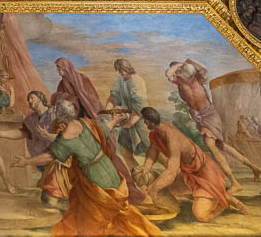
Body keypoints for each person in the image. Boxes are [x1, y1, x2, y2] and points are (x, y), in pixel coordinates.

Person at [13, 100, 160, 237]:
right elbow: (104, 129)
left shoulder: (64, 139)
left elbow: (49, 157)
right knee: (118, 208)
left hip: (95, 176)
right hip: (107, 167)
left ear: (59, 115)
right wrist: (115, 120)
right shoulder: (85, 123)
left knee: (95, 220)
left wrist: (26, 161)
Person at [51, 56, 145, 203]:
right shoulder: (61, 84)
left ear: (66, 67)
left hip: (90, 122)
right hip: (75, 124)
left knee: (109, 154)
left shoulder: (81, 79)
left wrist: (96, 120)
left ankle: (128, 189)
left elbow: (91, 101)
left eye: (59, 68)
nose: (57, 71)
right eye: (57, 68)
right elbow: (65, 106)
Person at [165, 59, 260, 194]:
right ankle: (254, 167)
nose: (178, 73)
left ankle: (234, 182)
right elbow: (168, 74)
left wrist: (187, 61)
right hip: (200, 118)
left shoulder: (196, 78)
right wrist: (178, 65)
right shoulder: (179, 82)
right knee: (222, 146)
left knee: (211, 145)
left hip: (210, 114)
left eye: (180, 70)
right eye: (177, 71)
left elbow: (203, 68)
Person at [136, 107, 246, 221]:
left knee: (201, 216)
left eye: (145, 120)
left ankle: (223, 202)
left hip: (205, 174)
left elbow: (171, 172)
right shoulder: (156, 133)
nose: (144, 123)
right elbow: (153, 151)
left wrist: (154, 188)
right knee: (171, 189)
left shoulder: (172, 137)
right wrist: (146, 167)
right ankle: (222, 196)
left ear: (150, 121)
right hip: (188, 174)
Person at [106, 58, 148, 169]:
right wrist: (107, 112)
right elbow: (113, 97)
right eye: (119, 71)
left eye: (122, 70)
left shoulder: (137, 80)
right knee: (124, 151)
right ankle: (136, 175)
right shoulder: (120, 80)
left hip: (141, 119)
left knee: (150, 147)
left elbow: (139, 105)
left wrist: (129, 122)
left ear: (128, 68)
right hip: (126, 119)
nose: (121, 73)